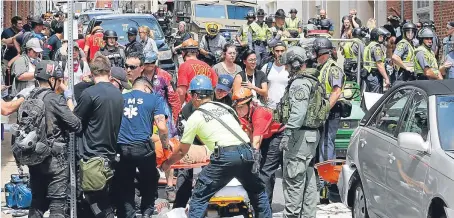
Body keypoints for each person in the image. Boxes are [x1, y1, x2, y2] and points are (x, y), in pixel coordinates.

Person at [161, 75, 272, 218]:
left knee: (200, 196)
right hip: (246, 151)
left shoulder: (195, 116)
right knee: (258, 193)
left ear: (195, 96)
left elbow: (182, 150)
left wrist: (167, 163)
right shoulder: (226, 107)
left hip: (225, 155)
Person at [275, 46, 328, 218]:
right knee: (308, 179)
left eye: (288, 65)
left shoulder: (299, 83)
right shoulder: (312, 80)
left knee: (293, 181)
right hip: (310, 136)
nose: (286, 69)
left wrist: (288, 134)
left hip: (299, 138)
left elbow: (298, 113)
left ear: (296, 63)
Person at [26, 60, 82, 218]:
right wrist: (68, 96)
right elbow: (76, 124)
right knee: (57, 204)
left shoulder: (29, 97)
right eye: (59, 80)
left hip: (34, 157)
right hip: (55, 161)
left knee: (37, 202)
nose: (59, 84)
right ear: (51, 80)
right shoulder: (54, 99)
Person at [74, 56, 124, 218]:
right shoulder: (118, 94)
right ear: (109, 72)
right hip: (109, 154)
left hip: (92, 155)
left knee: (94, 200)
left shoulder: (90, 94)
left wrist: (68, 99)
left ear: (91, 72)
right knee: (99, 198)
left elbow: (75, 122)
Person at [115, 76, 169, 218]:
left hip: (122, 148)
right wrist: (165, 146)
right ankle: (147, 211)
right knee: (150, 179)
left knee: (125, 183)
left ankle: (129, 214)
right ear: (146, 87)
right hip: (143, 147)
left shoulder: (121, 98)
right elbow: (162, 127)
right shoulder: (154, 99)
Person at [232, 87, 284, 206]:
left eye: (241, 108)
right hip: (264, 136)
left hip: (277, 135)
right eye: (237, 108)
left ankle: (263, 207)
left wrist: (253, 161)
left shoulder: (259, 113)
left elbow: (256, 142)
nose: (238, 111)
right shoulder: (244, 113)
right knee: (260, 169)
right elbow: (249, 135)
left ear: (250, 104)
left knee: (264, 171)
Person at [313, 38, 345, 203]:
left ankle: (328, 188)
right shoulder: (322, 68)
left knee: (326, 150)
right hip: (323, 113)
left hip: (330, 113)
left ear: (321, 53)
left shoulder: (333, 69)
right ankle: (324, 185)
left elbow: (336, 91)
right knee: (322, 149)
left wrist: (325, 109)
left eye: (316, 53)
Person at [141, 51, 181, 123]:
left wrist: (176, 120)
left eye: (152, 62)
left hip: (162, 113)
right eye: (147, 63)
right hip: (144, 113)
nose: (150, 65)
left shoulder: (164, 75)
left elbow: (174, 98)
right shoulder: (138, 75)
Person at [176, 38, 218, 105]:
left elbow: (181, 92)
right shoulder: (207, 66)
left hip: (191, 106)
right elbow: (215, 87)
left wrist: (178, 109)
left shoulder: (184, 66)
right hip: (207, 105)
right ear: (197, 53)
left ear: (183, 53)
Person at [261, 41, 288, 110]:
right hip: (269, 107)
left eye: (282, 51)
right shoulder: (266, 67)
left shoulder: (290, 69)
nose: (280, 53)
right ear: (273, 51)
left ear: (286, 51)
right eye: (277, 51)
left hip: (285, 108)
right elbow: (259, 84)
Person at [363, 27, 391, 93]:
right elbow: (379, 64)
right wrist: (386, 78)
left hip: (368, 74)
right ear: (375, 36)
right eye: (381, 36)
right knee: (376, 97)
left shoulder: (369, 45)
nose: (383, 38)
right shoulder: (376, 47)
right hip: (374, 75)